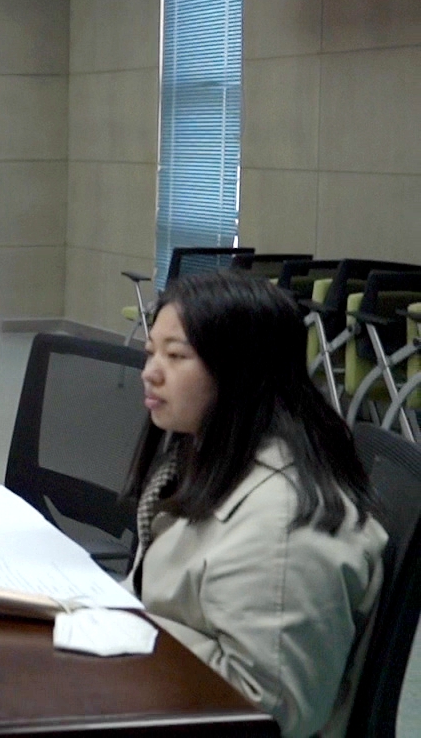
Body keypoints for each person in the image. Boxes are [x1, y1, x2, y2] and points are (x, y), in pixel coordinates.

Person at [125, 272, 385, 738]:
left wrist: (130, 630)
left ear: (241, 370)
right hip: (162, 699)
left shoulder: (281, 526)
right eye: (151, 352)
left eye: (176, 355)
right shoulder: (210, 455)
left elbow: (271, 707)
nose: (150, 372)